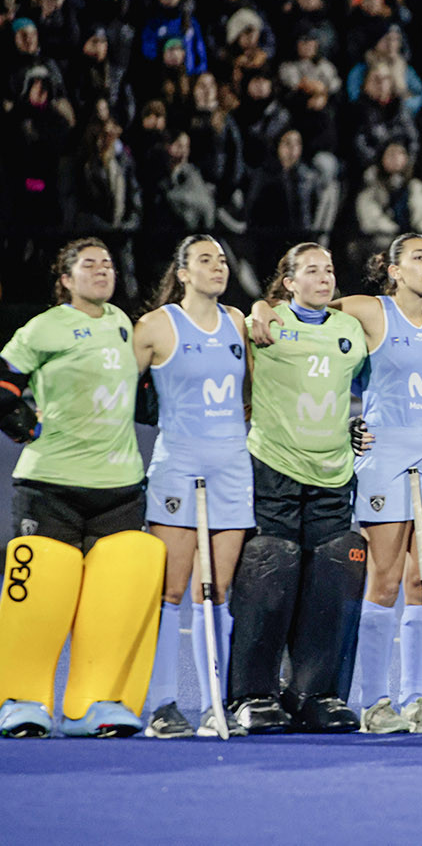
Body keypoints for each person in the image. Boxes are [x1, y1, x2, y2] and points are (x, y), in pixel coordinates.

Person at [249, 235, 422, 734]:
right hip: (384, 455)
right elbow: (304, 307)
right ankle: (376, 700)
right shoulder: (367, 310)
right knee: (383, 580)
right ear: (392, 269)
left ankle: (413, 699)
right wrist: (260, 305)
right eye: (418, 258)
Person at [0, 238, 161, 739]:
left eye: (108, 264)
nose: (102, 271)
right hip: (51, 483)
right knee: (41, 594)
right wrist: (23, 425)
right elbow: (4, 382)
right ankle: (20, 700)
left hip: (119, 487)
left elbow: (147, 393)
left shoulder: (124, 326)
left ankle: (95, 702)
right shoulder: (44, 326)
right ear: (65, 279)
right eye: (88, 265)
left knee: (114, 596)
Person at [226, 243, 368, 734]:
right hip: (275, 468)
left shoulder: (350, 330)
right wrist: (259, 308)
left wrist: (362, 428)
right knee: (271, 569)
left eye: (329, 269)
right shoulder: (263, 323)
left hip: (333, 473)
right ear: (288, 282)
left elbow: (374, 386)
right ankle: (252, 694)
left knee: (330, 578)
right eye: (311, 271)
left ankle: (315, 693)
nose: (324, 277)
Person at [133, 235, 252, 738]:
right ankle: (162, 705)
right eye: (205, 260)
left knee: (217, 591)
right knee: (172, 589)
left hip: (231, 467)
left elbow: (247, 395)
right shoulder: (156, 327)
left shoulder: (239, 322)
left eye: (222, 260)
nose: (217, 267)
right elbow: (120, 394)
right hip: (178, 468)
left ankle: (214, 705)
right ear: (182, 272)